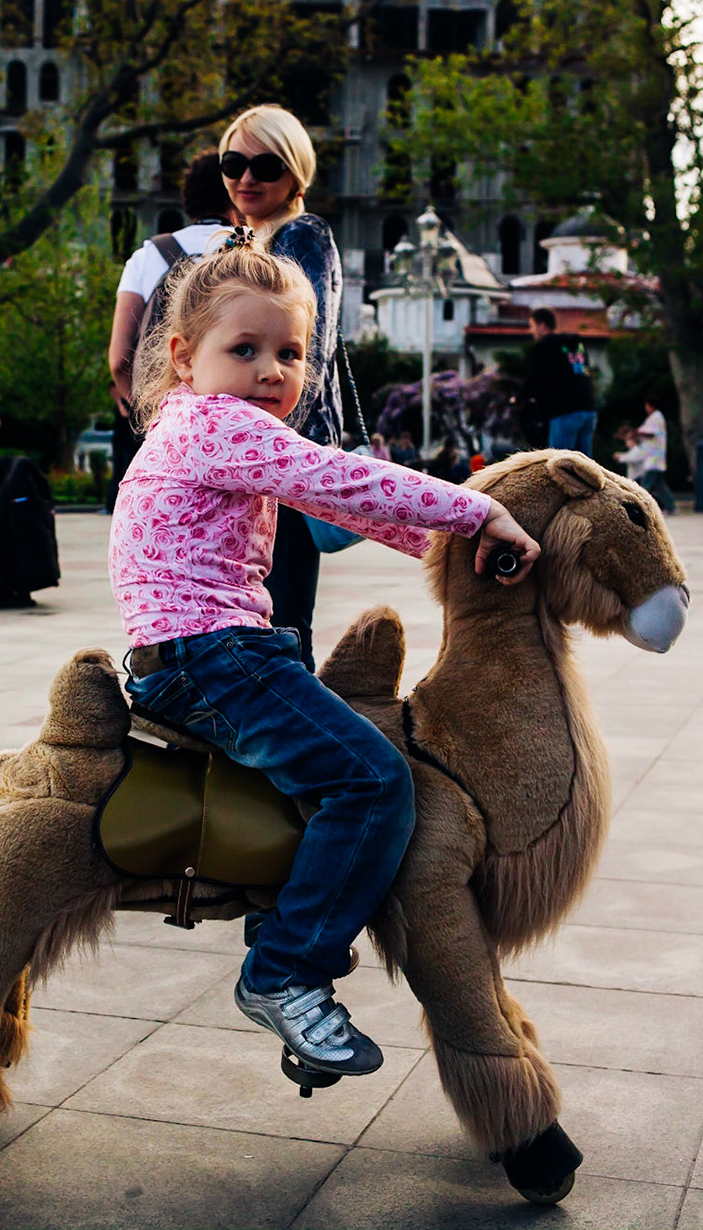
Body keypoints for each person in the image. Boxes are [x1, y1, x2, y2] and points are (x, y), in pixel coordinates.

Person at [114, 241, 539, 1080]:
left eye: (291, 353)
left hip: (209, 651)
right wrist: (475, 510)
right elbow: (338, 476)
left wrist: (445, 543)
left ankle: (298, 922)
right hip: (216, 657)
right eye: (245, 350)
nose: (272, 370)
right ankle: (286, 969)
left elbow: (331, 502)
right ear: (181, 356)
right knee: (373, 781)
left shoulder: (201, 428)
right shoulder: (219, 423)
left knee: (340, 765)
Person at [218, 104, 346, 668]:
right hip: (256, 452)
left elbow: (305, 353)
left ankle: (300, 746)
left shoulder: (302, 235)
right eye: (234, 162)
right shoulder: (250, 240)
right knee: (259, 612)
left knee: (286, 618)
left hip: (282, 450)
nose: (246, 178)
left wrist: (263, 444)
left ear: (296, 174)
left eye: (265, 166)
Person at [106, 150, 240, 512]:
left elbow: (119, 358)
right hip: (241, 429)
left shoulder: (149, 255)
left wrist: (144, 413)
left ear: (188, 199)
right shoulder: (252, 250)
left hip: (169, 425)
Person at [516, 308, 596, 454]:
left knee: (560, 463)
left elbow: (534, 377)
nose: (531, 331)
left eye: (532, 326)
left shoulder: (545, 346)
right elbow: (585, 372)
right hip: (588, 408)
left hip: (564, 410)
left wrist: (519, 398)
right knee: (585, 466)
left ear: (542, 325)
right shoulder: (577, 346)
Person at [617, 398, 676, 514]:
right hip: (652, 459)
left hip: (654, 459)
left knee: (645, 487)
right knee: (660, 486)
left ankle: (642, 509)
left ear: (649, 405)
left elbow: (651, 433)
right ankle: (671, 507)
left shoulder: (657, 417)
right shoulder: (652, 418)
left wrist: (635, 432)